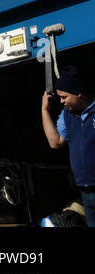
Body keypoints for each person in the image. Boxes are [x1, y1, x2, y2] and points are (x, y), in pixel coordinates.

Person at [41, 66, 95, 226]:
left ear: (79, 93)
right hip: (85, 190)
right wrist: (44, 110)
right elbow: (55, 142)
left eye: (64, 97)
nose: (61, 101)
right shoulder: (67, 115)